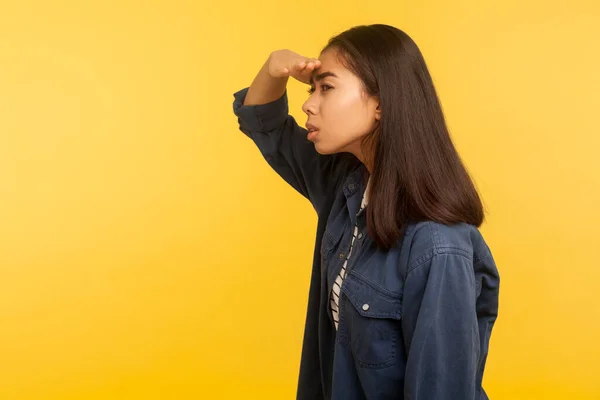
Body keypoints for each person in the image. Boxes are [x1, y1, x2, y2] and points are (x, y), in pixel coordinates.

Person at [231, 23, 500, 400]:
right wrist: (275, 67)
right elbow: (263, 121)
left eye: (326, 87)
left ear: (381, 105)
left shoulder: (437, 244)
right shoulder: (345, 187)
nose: (309, 103)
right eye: (313, 89)